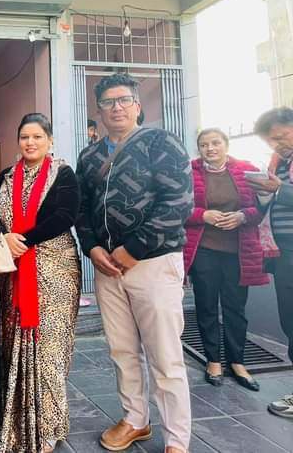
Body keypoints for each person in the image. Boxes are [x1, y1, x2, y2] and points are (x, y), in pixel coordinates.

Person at [75, 73, 193, 453]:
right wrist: (92, 247)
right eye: (108, 102)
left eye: (124, 100)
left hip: (154, 264)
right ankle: (135, 419)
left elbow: (178, 204)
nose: (117, 108)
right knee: (122, 351)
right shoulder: (90, 156)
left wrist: (134, 250)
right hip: (107, 268)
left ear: (137, 106)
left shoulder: (162, 143)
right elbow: (81, 209)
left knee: (165, 356)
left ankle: (177, 440)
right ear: (99, 111)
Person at [0, 113, 81, 453]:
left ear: (50, 140)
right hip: (13, 268)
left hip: (55, 269)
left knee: (49, 349)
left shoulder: (64, 174)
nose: (30, 143)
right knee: (13, 344)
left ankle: (47, 427)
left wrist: (24, 240)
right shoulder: (5, 177)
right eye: (24, 137)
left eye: (37, 137)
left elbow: (65, 215)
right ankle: (16, 422)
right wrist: (5, 237)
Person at [184, 128, 267, 391]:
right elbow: (178, 208)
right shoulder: (188, 171)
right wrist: (202, 215)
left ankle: (238, 362)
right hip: (204, 250)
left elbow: (260, 209)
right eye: (204, 144)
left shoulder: (248, 170)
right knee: (206, 306)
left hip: (238, 252)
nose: (210, 148)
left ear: (226, 144)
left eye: (215, 143)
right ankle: (213, 361)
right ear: (199, 148)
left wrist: (243, 216)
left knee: (235, 308)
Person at [248, 107, 293, 419]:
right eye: (271, 141)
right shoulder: (280, 164)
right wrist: (264, 193)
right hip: (283, 252)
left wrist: (279, 189)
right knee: (290, 322)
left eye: (281, 136)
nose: (277, 145)